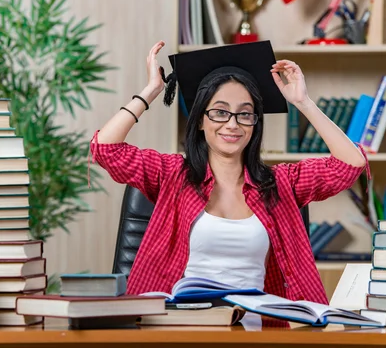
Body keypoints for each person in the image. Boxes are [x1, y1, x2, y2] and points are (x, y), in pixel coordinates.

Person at [89, 40, 369, 308]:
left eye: (244, 114)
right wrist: (150, 91)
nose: (232, 125)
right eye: (220, 113)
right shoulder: (172, 175)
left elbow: (351, 165)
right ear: (200, 120)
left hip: (254, 329)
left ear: (254, 124)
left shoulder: (281, 183)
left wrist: (304, 102)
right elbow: (105, 149)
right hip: (181, 325)